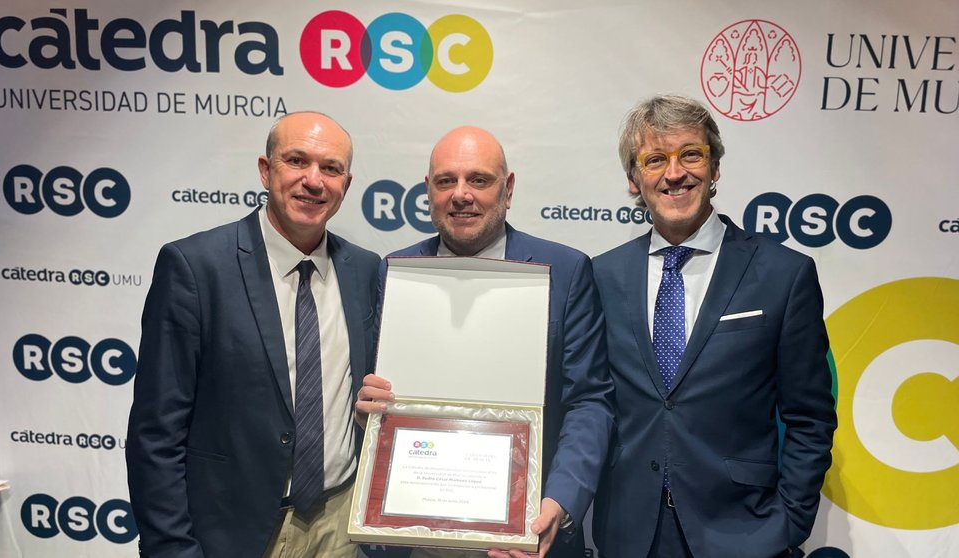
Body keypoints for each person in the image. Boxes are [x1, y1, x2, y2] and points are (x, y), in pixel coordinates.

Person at [591, 95, 837, 558]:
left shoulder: (783, 275)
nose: (675, 173)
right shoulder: (601, 277)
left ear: (715, 166)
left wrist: (788, 523)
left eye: (691, 154)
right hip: (629, 532)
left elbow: (810, 416)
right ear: (633, 179)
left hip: (744, 533)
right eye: (655, 159)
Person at [126, 112, 380, 558]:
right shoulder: (195, 267)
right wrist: (172, 548)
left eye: (331, 168)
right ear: (266, 170)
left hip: (341, 525)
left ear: (347, 182)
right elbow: (156, 433)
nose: (313, 181)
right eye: (297, 161)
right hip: (233, 531)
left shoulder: (364, 270)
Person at [356, 126, 614, 558]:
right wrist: (369, 409)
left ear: (508, 189)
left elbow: (590, 401)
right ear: (428, 190)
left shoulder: (566, 272)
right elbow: (375, 397)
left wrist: (560, 503)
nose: (461, 194)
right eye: (445, 181)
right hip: (411, 536)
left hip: (525, 536)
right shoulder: (396, 273)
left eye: (479, 179)